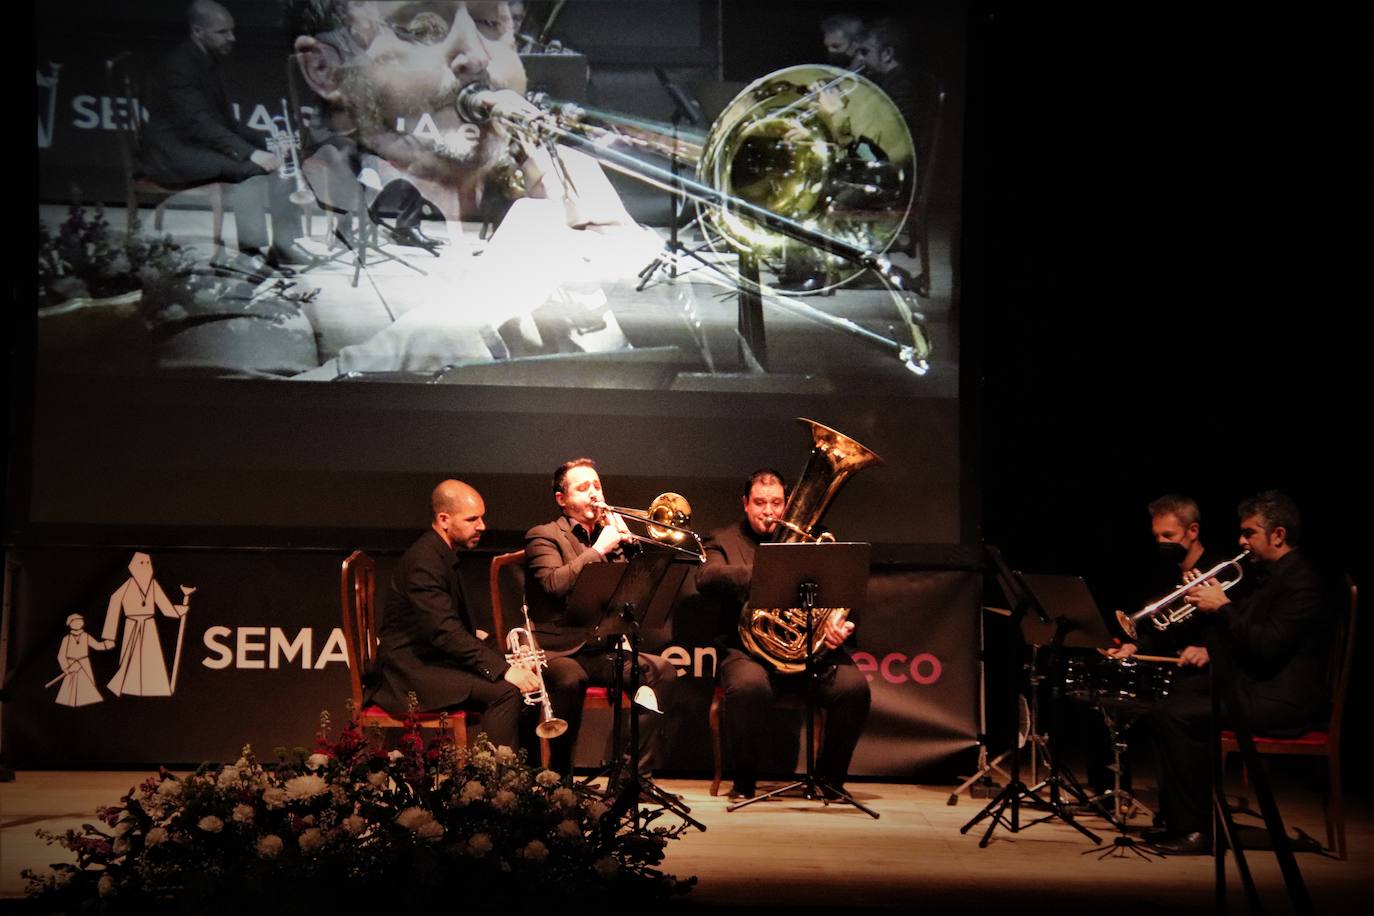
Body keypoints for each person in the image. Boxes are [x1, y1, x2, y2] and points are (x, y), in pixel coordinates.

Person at [285, 0, 660, 378]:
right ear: (325, 69)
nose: (478, 57)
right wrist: (482, 300)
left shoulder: (550, 197)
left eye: (489, 23)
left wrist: (625, 276)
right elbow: (270, 427)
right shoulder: (254, 227)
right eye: (422, 28)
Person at [1145, 491, 1329, 854]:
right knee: (1173, 700)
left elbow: (1266, 646)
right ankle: (1177, 819)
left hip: (1284, 701)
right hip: (1257, 687)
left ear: (1277, 535)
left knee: (1177, 716)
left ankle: (1196, 831)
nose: (1241, 542)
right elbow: (1242, 635)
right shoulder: (1269, 576)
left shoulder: (1302, 581)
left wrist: (1223, 607)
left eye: (1250, 533)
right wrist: (1208, 615)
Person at [696, 469, 871, 799]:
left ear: (788, 504)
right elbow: (706, 578)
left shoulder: (814, 538)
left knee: (855, 688)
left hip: (812, 653)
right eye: (760, 502)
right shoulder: (723, 539)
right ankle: (744, 783)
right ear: (745, 503)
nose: (769, 511)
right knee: (748, 687)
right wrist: (768, 573)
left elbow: (847, 594)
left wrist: (841, 626)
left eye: (776, 503)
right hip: (747, 652)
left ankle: (830, 781)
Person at [524, 458, 679, 776]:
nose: (594, 493)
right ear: (562, 500)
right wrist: (598, 550)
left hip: (599, 650)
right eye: (583, 488)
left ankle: (632, 775)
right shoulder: (543, 536)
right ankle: (560, 775)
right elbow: (555, 584)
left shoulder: (611, 537)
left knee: (660, 671)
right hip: (557, 651)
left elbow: (635, 588)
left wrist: (629, 544)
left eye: (597, 485)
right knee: (571, 678)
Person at [367, 479, 539, 750]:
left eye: (481, 518)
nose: (482, 526)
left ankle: (526, 773)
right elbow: (444, 633)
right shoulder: (424, 562)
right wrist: (504, 671)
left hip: (432, 659)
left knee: (525, 678)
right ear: (444, 519)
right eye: (472, 519)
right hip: (411, 672)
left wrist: (504, 660)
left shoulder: (440, 553)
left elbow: (450, 629)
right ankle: (498, 784)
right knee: (506, 692)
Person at [140, 1, 303, 268]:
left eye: (232, 30)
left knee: (282, 161)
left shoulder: (207, 59)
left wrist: (265, 143)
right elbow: (199, 124)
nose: (232, 38)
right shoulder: (179, 66)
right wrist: (251, 152)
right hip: (172, 154)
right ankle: (250, 252)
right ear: (197, 31)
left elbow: (223, 122)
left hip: (196, 144)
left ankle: (285, 245)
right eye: (223, 32)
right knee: (248, 170)